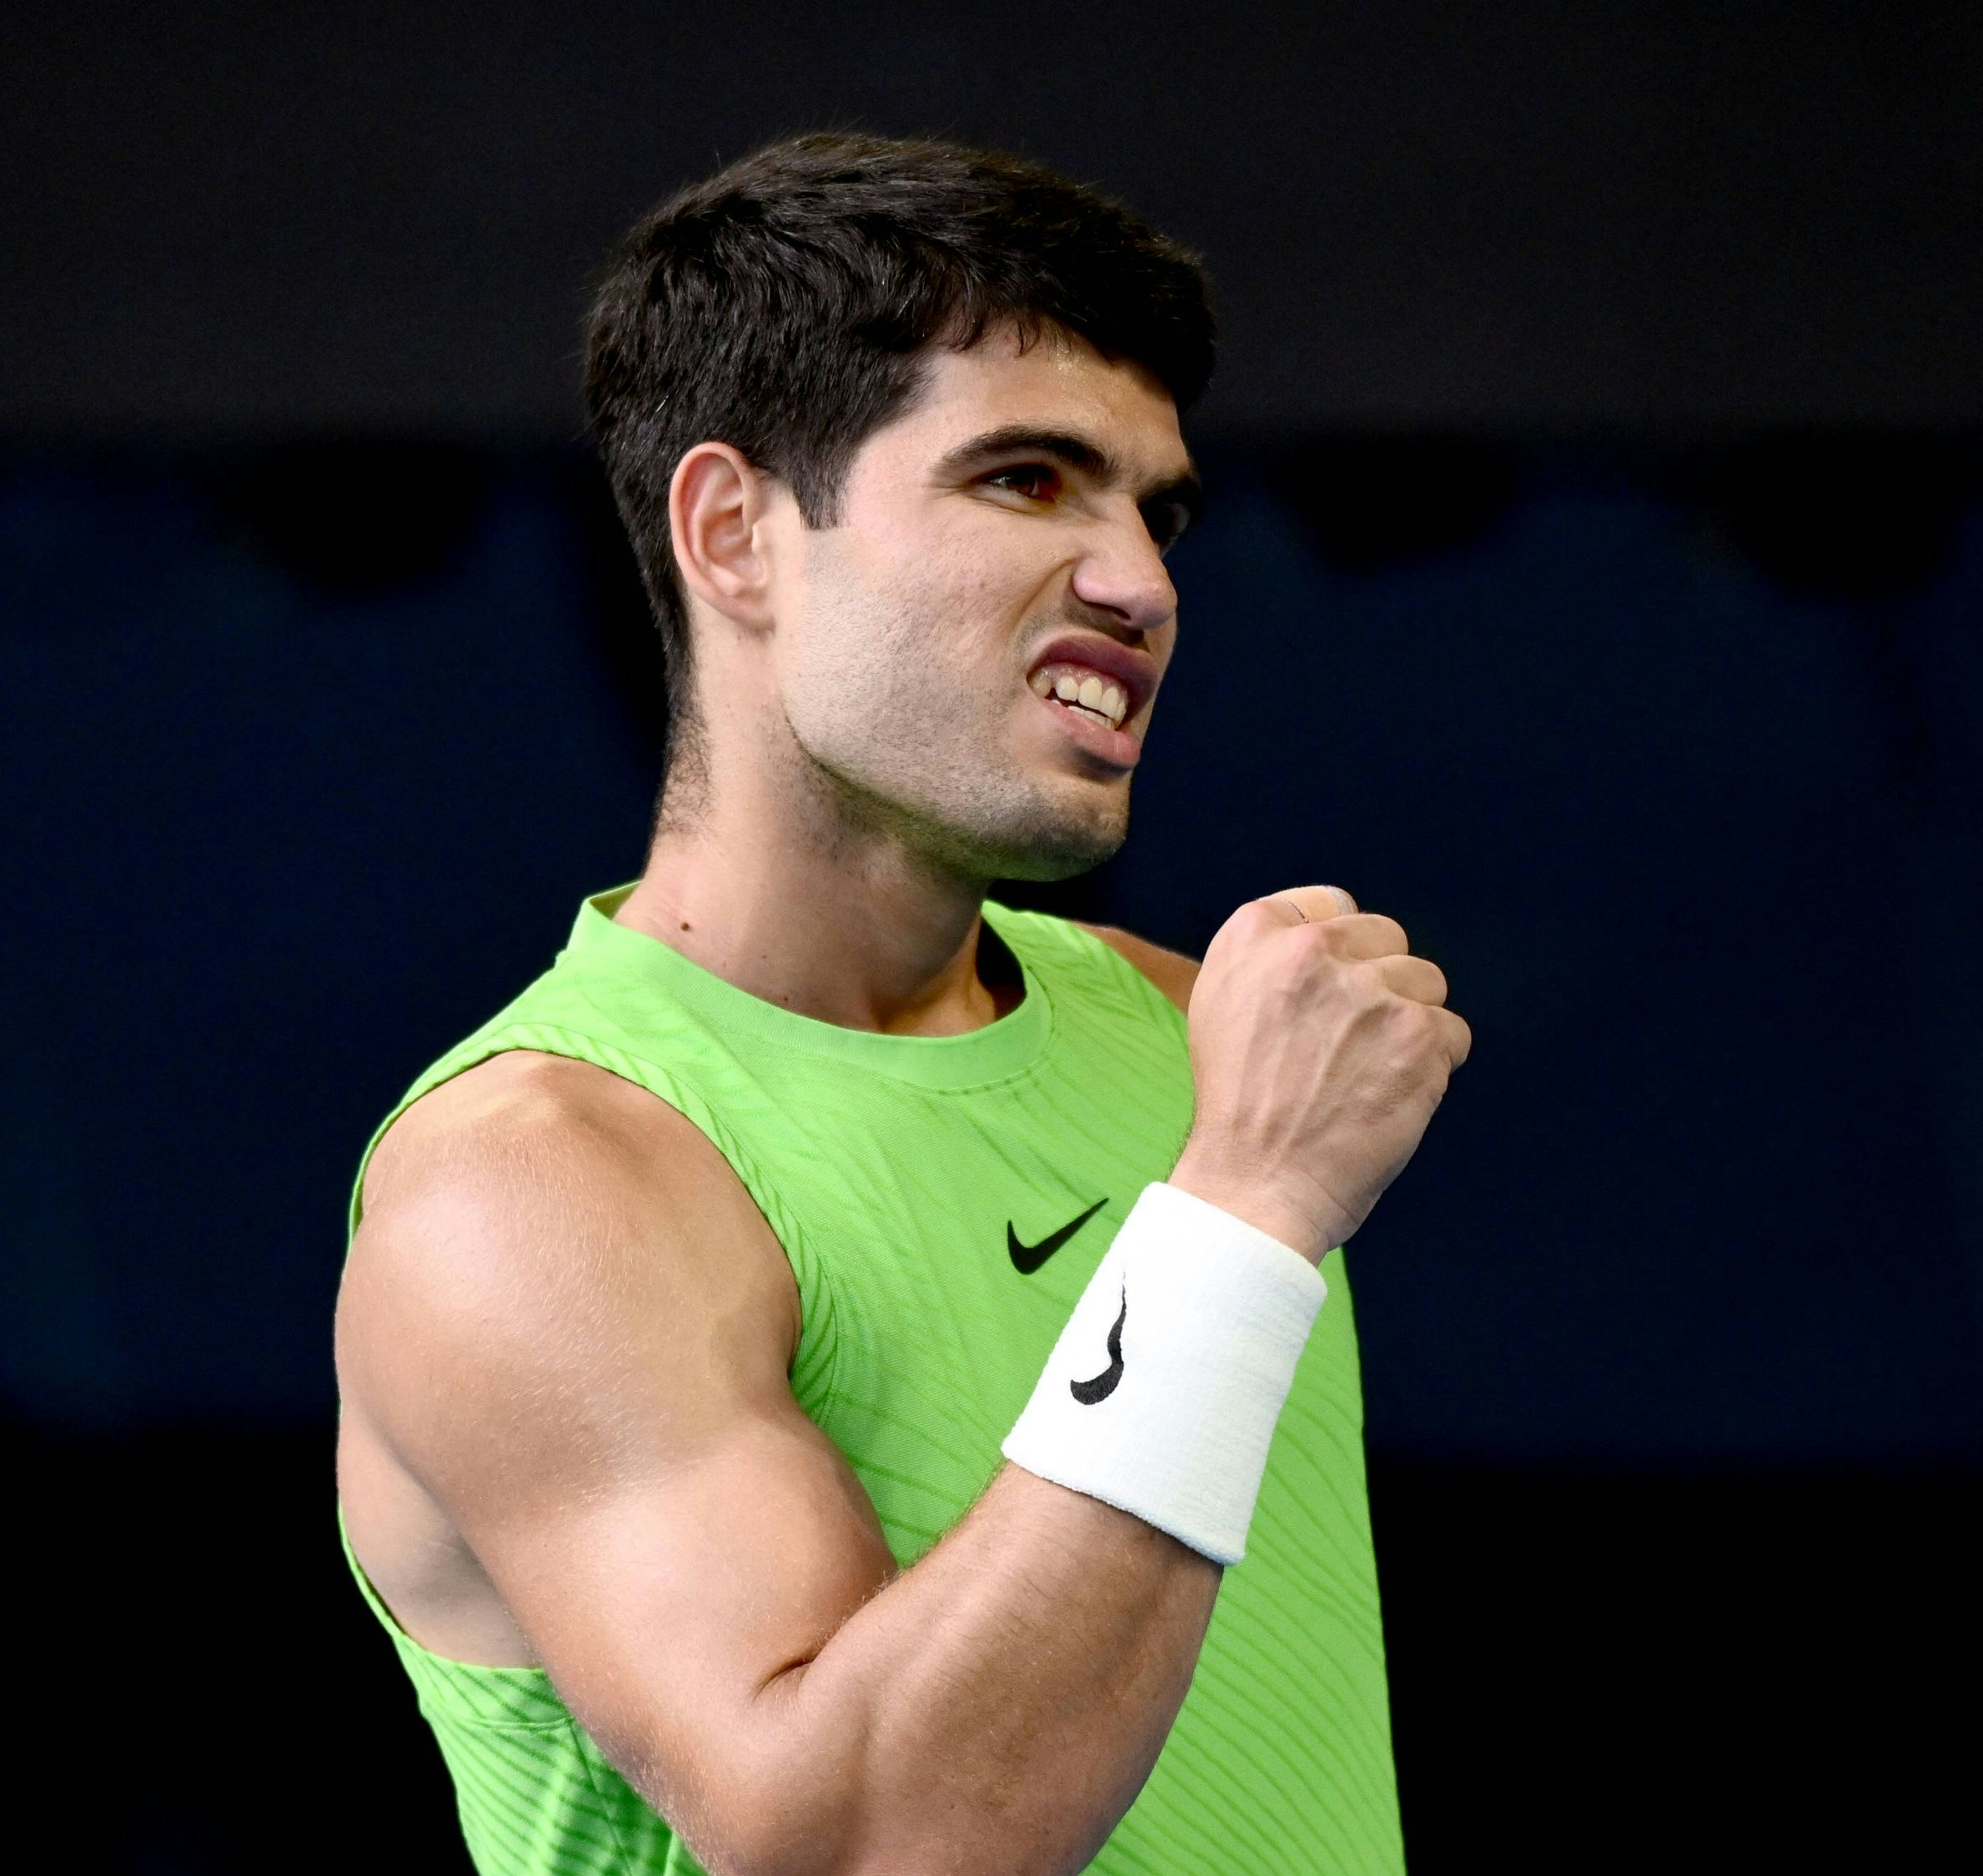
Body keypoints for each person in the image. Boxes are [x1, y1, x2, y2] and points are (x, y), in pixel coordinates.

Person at [331, 133, 1468, 1876]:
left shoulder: (1193, 1046)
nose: (1139, 583)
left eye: (1151, 510)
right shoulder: (531, 1178)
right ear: (735, 535)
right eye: (1024, 479)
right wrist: (1240, 1215)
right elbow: (869, 1847)